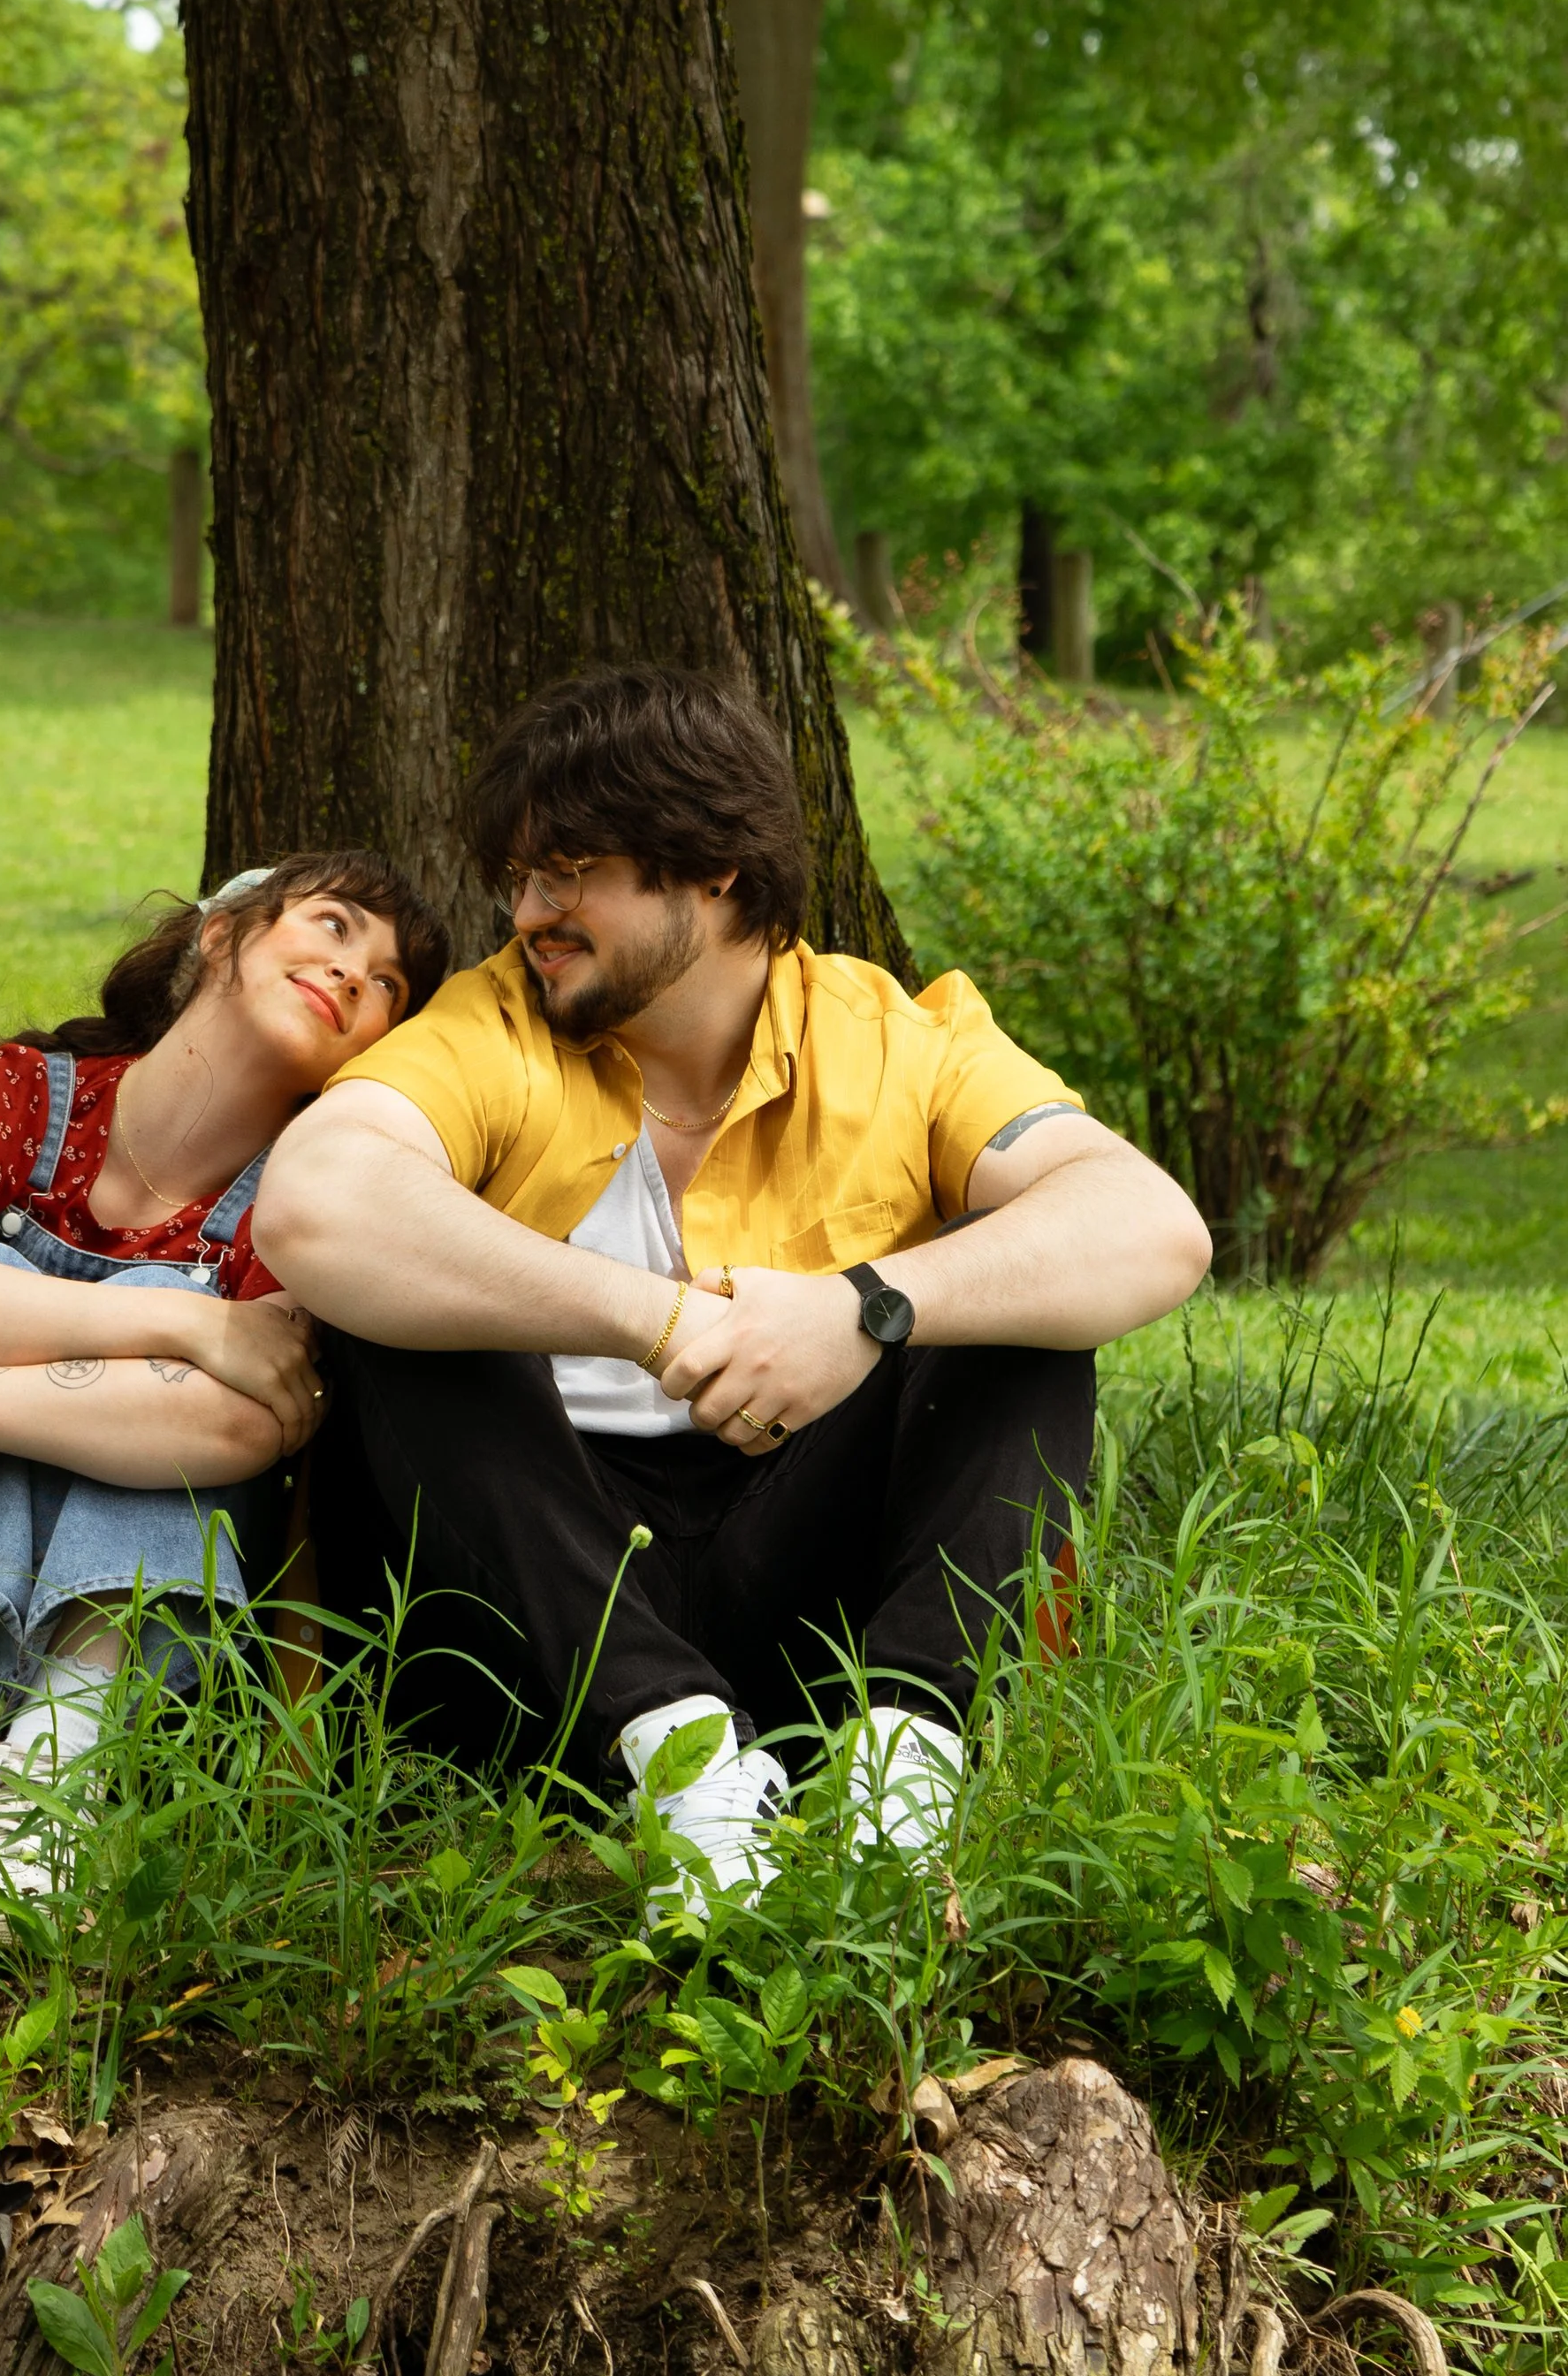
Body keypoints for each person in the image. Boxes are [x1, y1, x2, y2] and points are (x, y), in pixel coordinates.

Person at [255, 667, 1211, 1919]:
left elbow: (1152, 1225)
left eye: (572, 870)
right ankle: (686, 1765)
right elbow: (316, 1201)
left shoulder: (893, 1037)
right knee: (404, 1307)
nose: (531, 909)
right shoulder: (489, 1025)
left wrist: (865, 1305)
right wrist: (655, 1321)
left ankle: (895, 1784)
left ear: (715, 871)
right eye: (521, 875)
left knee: (1017, 1301)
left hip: (804, 1603)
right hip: (528, 1628)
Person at [0, 851, 448, 1932]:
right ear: (222, 935)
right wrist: (184, 1321)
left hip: (119, 1685)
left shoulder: (309, 1202)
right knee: (8, 1276)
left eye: (388, 983)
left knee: (154, 1384)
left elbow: (246, 1421)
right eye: (335, 928)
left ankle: (53, 1772)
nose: (355, 976)